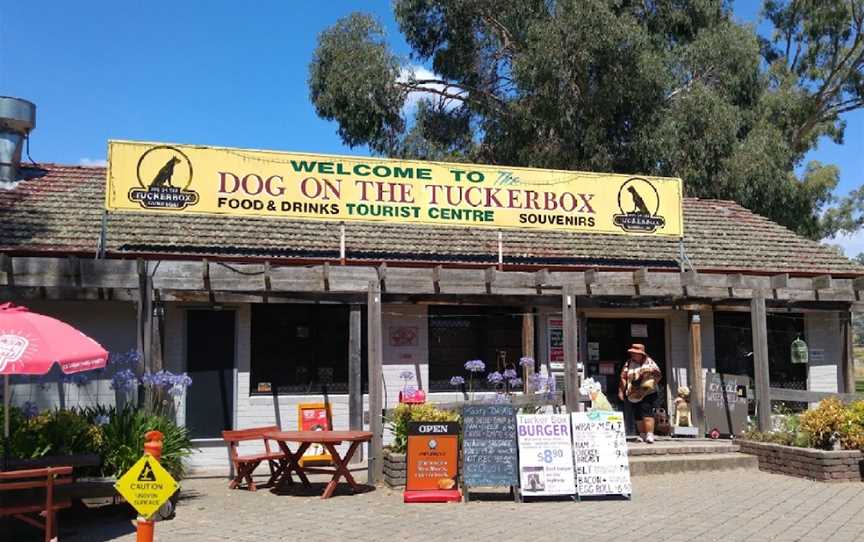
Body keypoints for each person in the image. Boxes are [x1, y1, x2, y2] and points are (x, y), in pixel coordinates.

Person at [618, 343, 662, 443]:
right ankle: (642, 434)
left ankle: (650, 434)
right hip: (633, 392)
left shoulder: (649, 362)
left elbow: (658, 375)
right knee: (637, 414)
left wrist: (649, 382)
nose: (633, 355)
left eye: (635, 353)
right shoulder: (628, 363)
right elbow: (623, 377)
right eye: (632, 353)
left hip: (647, 392)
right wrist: (621, 390)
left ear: (641, 354)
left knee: (646, 412)